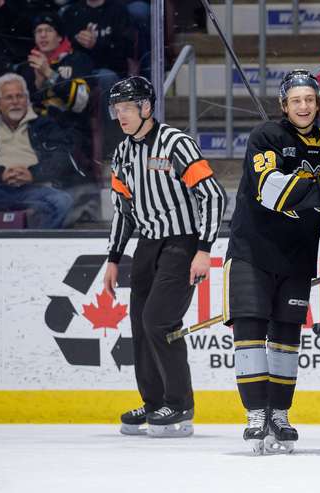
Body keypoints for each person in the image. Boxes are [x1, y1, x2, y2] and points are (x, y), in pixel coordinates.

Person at [223, 69, 320, 455]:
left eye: (310, 99)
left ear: (319, 104)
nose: (303, 106)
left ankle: (280, 415)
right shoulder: (266, 136)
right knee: (250, 334)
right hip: (252, 251)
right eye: (295, 101)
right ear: (284, 106)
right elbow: (270, 192)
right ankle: (256, 416)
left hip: (297, 256)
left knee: (286, 339)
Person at [103, 76, 227, 438]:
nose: (121, 116)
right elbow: (122, 210)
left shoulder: (176, 142)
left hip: (182, 243)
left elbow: (214, 196)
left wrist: (204, 250)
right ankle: (154, 401)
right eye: (117, 110)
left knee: (160, 322)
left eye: (127, 108)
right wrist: (113, 257)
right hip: (147, 244)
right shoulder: (123, 152)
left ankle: (180, 403)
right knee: (141, 325)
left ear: (146, 107)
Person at [0, 73, 73, 228]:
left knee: (63, 201)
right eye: (9, 97)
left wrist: (33, 174)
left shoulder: (44, 125)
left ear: (27, 99)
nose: (15, 102)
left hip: (34, 188)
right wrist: (0, 174)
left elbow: (62, 157)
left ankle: (39, 247)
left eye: (20, 96)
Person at [18, 13, 93, 167]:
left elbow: (81, 102)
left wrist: (50, 74)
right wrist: (37, 84)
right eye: (38, 31)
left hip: (68, 129)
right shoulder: (25, 67)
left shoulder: (78, 60)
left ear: (60, 37)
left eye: (49, 30)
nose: (43, 35)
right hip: (33, 131)